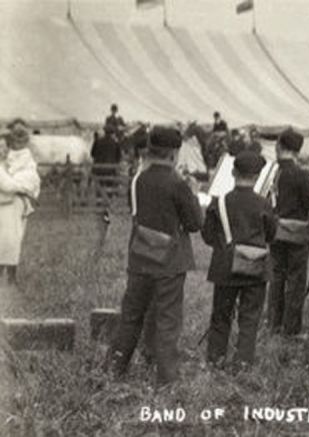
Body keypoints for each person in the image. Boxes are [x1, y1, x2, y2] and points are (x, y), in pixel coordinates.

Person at [105, 126, 203, 386]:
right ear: (175, 153)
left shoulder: (138, 180)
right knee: (167, 319)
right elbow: (194, 223)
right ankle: (167, 379)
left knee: (131, 315)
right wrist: (192, 192)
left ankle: (113, 369)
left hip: (139, 257)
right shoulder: (178, 183)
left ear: (150, 149)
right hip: (169, 263)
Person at [201, 151, 277, 370]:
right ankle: (243, 363)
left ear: (233, 173)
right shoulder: (264, 204)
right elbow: (271, 236)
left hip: (225, 267)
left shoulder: (219, 202)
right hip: (255, 268)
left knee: (221, 315)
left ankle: (215, 360)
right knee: (250, 317)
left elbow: (207, 236)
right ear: (257, 177)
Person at [268, 129, 309, 337]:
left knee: (277, 278)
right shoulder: (301, 174)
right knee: (296, 282)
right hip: (297, 234)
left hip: (276, 230)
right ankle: (291, 330)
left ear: (280, 146)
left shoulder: (276, 172)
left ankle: (273, 324)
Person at [0, 125, 41, 287]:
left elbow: (31, 181)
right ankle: (8, 276)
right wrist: (22, 187)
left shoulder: (22, 159)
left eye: (5, 147)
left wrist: (22, 187)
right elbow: (9, 185)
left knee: (13, 239)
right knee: (7, 239)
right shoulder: (6, 163)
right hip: (8, 203)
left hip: (15, 204)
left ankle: (10, 276)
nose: (5, 150)